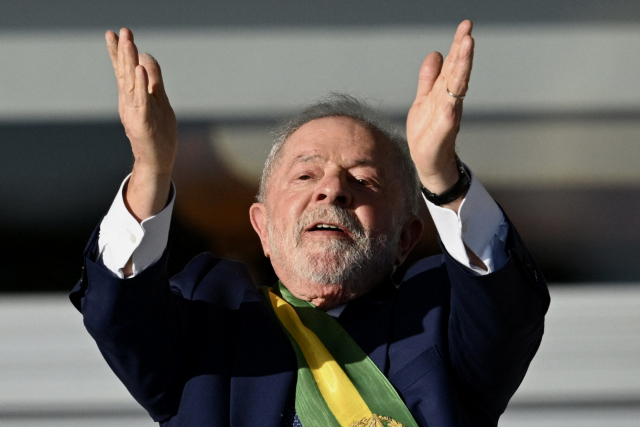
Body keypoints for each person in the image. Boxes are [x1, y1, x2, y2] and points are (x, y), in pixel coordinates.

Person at [70, 20, 549, 427]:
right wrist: (151, 170)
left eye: (363, 180)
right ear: (261, 227)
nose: (332, 189)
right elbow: (117, 311)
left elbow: (506, 309)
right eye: (305, 175)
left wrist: (442, 176)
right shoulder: (210, 316)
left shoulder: (441, 317)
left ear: (406, 238)